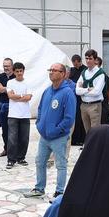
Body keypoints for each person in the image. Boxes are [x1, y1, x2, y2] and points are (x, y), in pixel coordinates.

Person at [27, 63, 77, 198]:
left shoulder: (67, 93)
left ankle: (60, 191)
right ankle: (39, 188)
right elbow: (40, 109)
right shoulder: (47, 91)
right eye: (50, 70)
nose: (51, 72)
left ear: (63, 74)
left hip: (59, 137)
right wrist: (39, 124)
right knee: (40, 161)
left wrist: (56, 130)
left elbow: (69, 118)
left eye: (54, 70)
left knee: (60, 164)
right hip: (44, 136)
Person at [5, 62, 32, 169]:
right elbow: (10, 96)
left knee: (24, 138)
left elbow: (29, 97)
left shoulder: (28, 83)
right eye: (17, 71)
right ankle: (11, 159)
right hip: (13, 114)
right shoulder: (10, 82)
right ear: (14, 72)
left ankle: (21, 157)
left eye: (21, 71)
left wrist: (17, 97)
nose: (19, 73)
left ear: (23, 71)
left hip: (25, 115)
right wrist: (22, 96)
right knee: (12, 138)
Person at [74, 49, 107, 139]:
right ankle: (89, 151)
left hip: (95, 105)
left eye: (90, 58)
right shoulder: (84, 72)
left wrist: (83, 91)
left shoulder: (101, 74)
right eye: (86, 58)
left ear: (95, 60)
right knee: (87, 133)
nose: (88, 60)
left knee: (95, 133)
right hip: (84, 105)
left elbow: (97, 92)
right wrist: (88, 89)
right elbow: (77, 91)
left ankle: (96, 151)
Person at [0, 57, 14, 158]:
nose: (6, 68)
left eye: (8, 66)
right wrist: (8, 89)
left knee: (13, 130)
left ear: (12, 66)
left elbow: (15, 91)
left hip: (12, 106)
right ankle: (6, 149)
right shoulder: (0, 76)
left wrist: (4, 89)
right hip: (2, 105)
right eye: (4, 66)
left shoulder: (16, 76)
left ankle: (14, 150)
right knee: (4, 130)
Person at [69, 54, 87, 146]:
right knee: (75, 117)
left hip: (82, 97)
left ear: (80, 62)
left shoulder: (85, 70)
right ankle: (74, 139)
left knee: (82, 118)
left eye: (77, 63)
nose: (75, 65)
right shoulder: (71, 71)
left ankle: (82, 139)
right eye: (74, 64)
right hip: (73, 97)